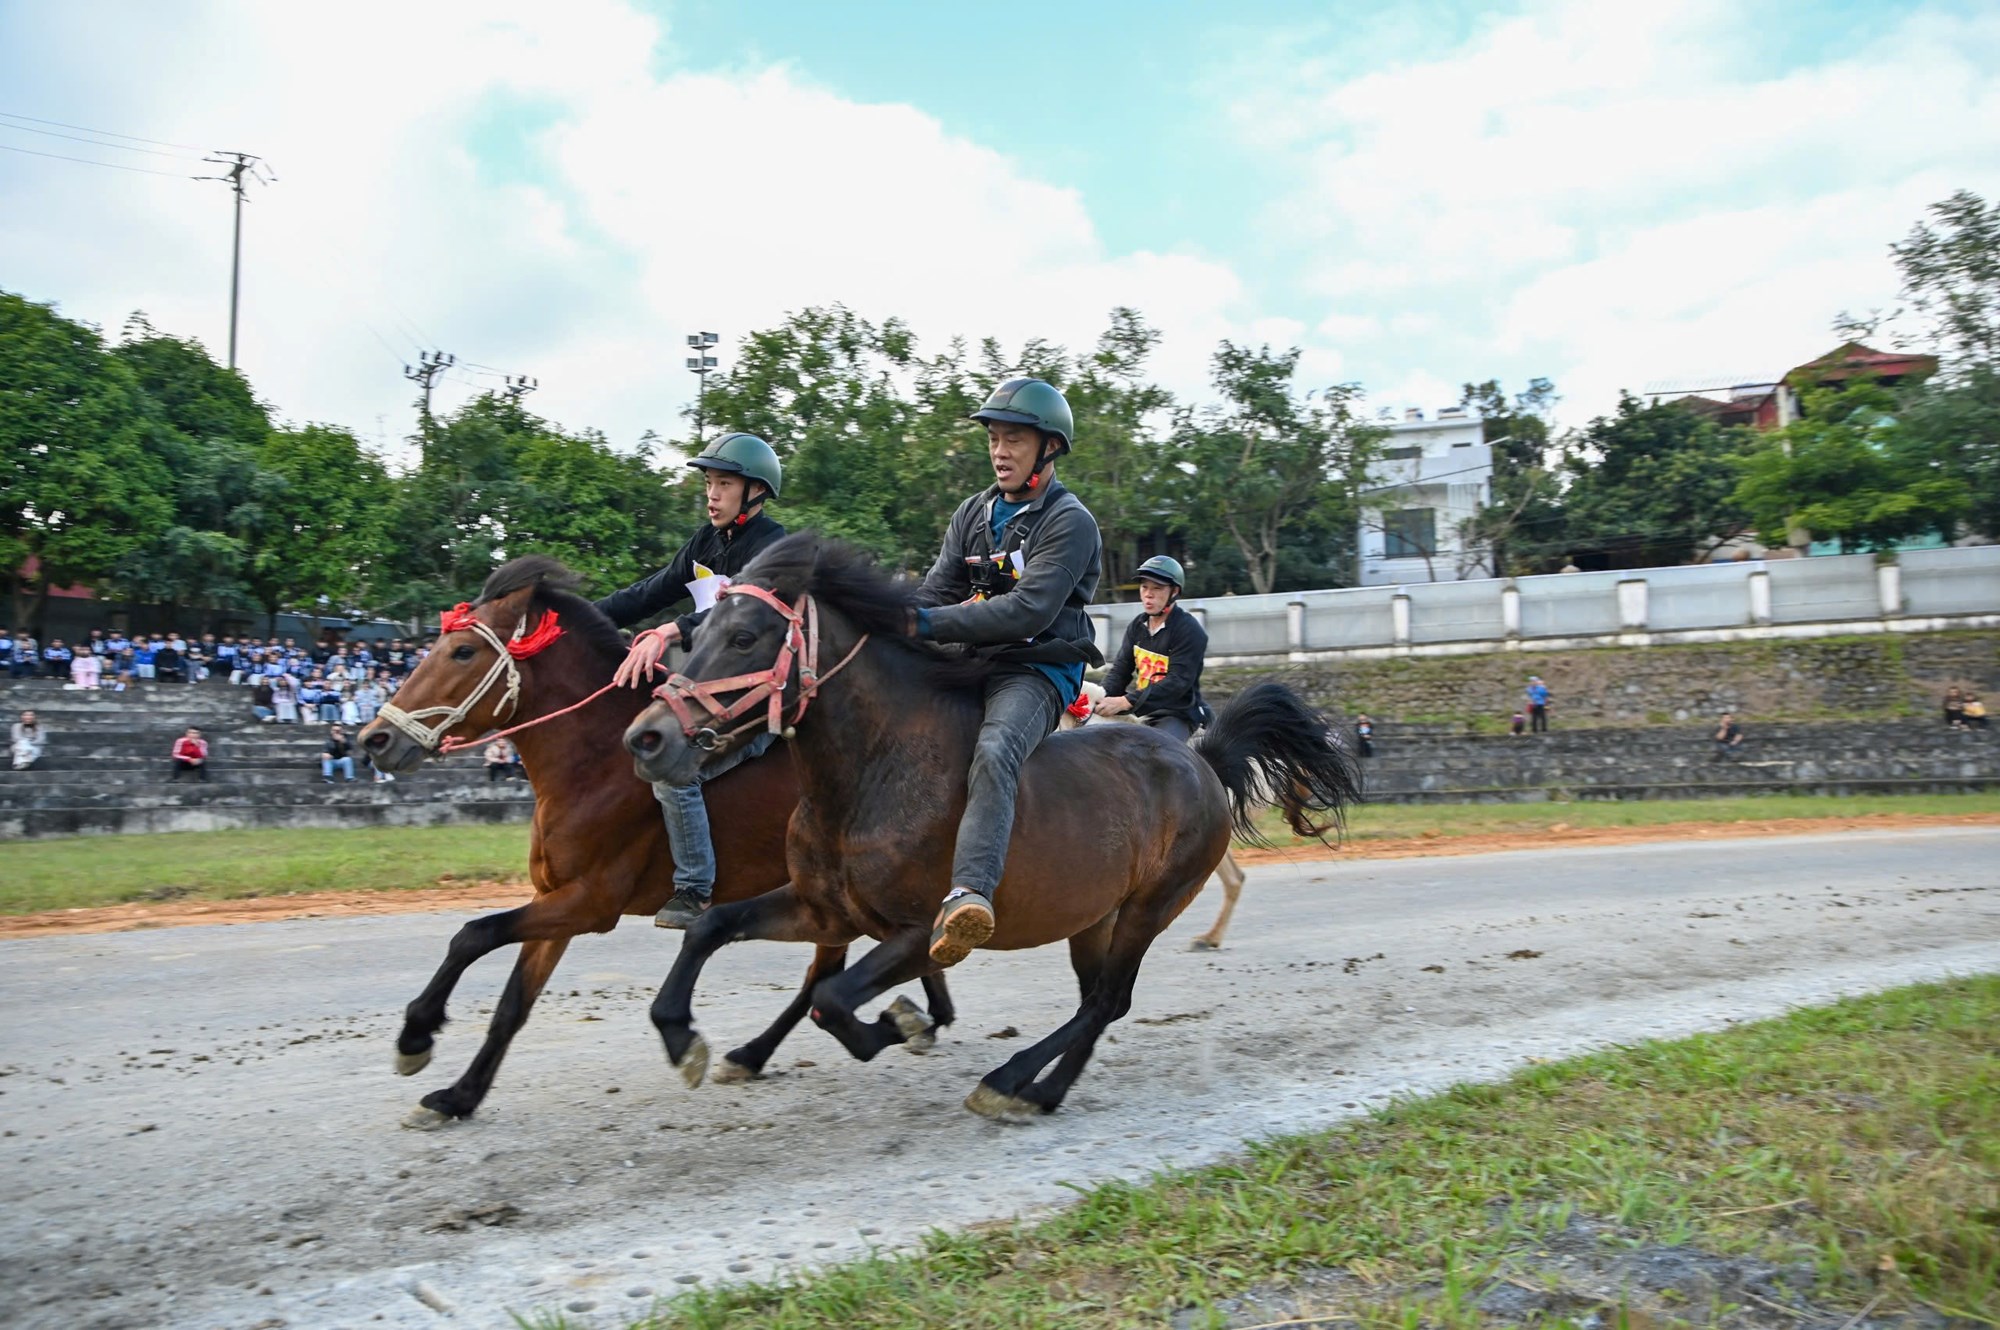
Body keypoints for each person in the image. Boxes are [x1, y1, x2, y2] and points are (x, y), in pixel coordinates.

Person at [907, 378, 1103, 968]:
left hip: (1038, 670)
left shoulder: (1071, 522)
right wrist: (897, 623)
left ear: (1048, 449)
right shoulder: (972, 512)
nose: (999, 451)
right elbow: (935, 592)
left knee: (994, 749)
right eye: (994, 438)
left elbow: (1028, 611)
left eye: (1013, 439)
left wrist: (925, 624)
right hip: (972, 661)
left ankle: (971, 895)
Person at [600, 432, 790, 929]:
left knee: (676, 771)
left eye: (723, 483)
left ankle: (693, 889)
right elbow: (648, 593)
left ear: (755, 492)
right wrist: (577, 618)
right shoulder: (705, 542)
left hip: (755, 703)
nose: (711, 495)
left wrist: (671, 630)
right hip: (706, 693)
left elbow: (738, 616)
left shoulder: (774, 547)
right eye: (708, 482)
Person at [1095, 557, 1210, 743]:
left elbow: (1177, 682)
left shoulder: (1189, 630)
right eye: (1144, 587)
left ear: (1174, 592)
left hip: (1176, 712)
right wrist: (1099, 697)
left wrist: (1126, 701)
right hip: (1143, 707)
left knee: (1158, 751)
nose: (1148, 594)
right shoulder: (1137, 626)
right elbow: (1120, 671)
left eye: (1157, 588)